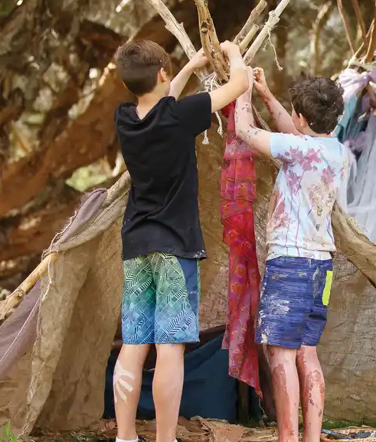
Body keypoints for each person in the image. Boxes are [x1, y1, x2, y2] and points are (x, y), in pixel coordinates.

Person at [112, 39, 249, 442]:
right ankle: (165, 437)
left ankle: (125, 436)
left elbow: (159, 102)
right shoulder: (183, 114)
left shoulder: (125, 118)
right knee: (170, 347)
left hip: (136, 244)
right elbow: (238, 83)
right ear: (161, 74)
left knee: (134, 343)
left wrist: (189, 65)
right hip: (174, 247)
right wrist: (233, 52)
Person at [232, 68, 347, 442]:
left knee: (281, 355)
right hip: (321, 269)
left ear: (302, 117)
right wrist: (267, 94)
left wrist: (243, 90)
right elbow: (295, 133)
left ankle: (287, 438)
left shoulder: (298, 150)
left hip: (290, 265)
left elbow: (246, 132)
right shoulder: (335, 152)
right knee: (307, 354)